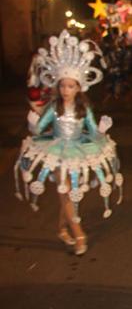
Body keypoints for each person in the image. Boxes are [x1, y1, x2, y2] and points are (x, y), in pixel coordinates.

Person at [14, 30, 123, 255]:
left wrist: (101, 131)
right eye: (62, 86)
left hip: (77, 149)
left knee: (68, 191)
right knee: (65, 193)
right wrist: (33, 123)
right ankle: (79, 233)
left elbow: (92, 131)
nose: (66, 90)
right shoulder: (53, 107)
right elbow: (40, 129)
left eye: (71, 86)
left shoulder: (85, 108)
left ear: (78, 87)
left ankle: (62, 229)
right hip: (56, 150)